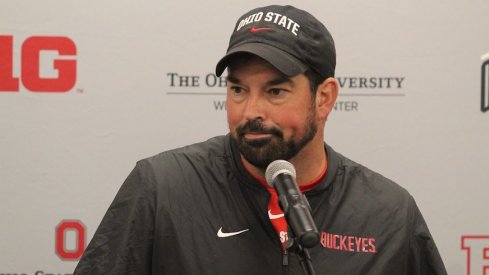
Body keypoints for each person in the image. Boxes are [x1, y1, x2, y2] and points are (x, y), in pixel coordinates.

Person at [74, 5, 447, 275]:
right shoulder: (162, 189)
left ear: (325, 98)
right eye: (238, 89)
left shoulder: (389, 215)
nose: (251, 110)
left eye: (275, 91)